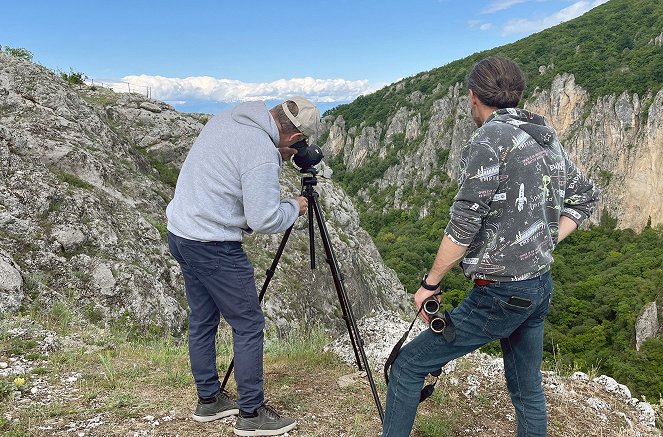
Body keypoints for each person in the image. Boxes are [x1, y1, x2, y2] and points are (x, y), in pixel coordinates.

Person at [381, 57, 600, 437]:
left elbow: (464, 223)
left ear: (473, 96)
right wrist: (545, 240)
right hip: (538, 285)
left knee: (407, 366)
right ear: (518, 94)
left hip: (499, 293)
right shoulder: (543, 134)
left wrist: (430, 283)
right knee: (527, 387)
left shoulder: (488, 140)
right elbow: (585, 197)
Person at [166, 96, 320, 436]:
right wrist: (295, 205)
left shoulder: (231, 117)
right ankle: (251, 414)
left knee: (203, 319)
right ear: (295, 139)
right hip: (213, 244)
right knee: (248, 324)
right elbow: (263, 218)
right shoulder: (260, 152)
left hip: (181, 233)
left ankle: (209, 400)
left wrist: (276, 156)